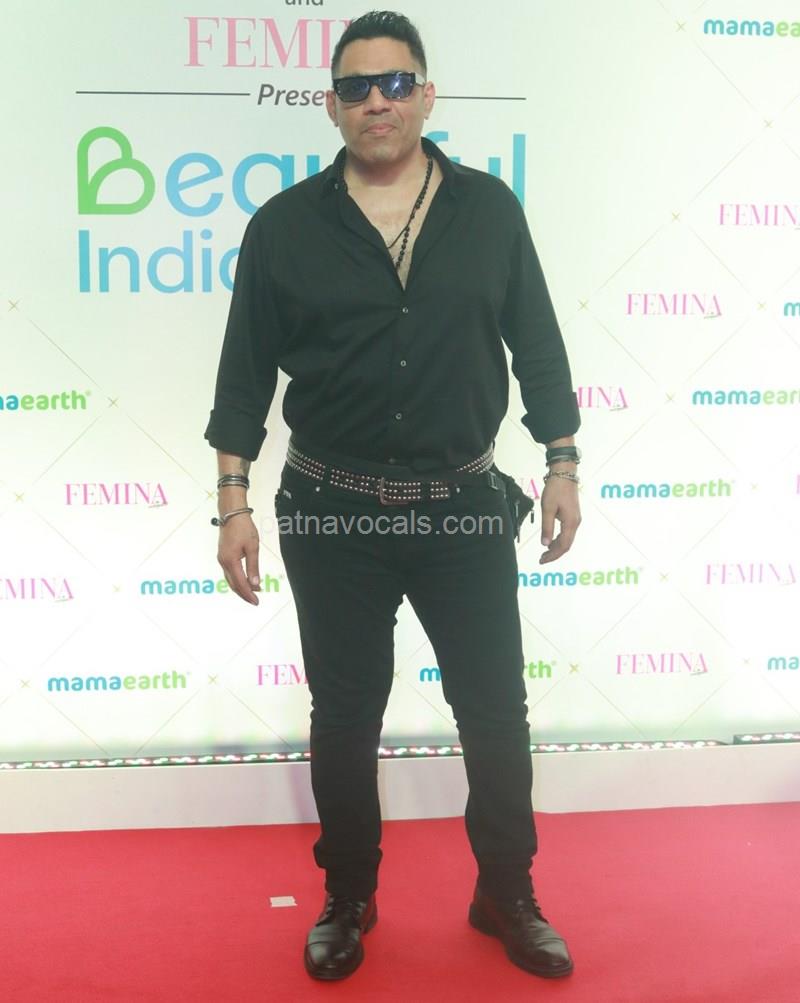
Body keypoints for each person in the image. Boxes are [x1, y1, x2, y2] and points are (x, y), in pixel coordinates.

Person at [205, 9, 581, 982]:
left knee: (493, 709)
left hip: (463, 505)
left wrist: (562, 460)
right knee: (345, 713)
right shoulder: (283, 227)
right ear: (331, 105)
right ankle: (348, 894)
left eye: (395, 82)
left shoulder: (489, 211)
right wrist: (232, 500)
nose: (377, 100)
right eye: (357, 86)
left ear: (426, 94)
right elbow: (243, 378)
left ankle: (506, 890)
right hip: (332, 512)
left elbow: (537, 345)